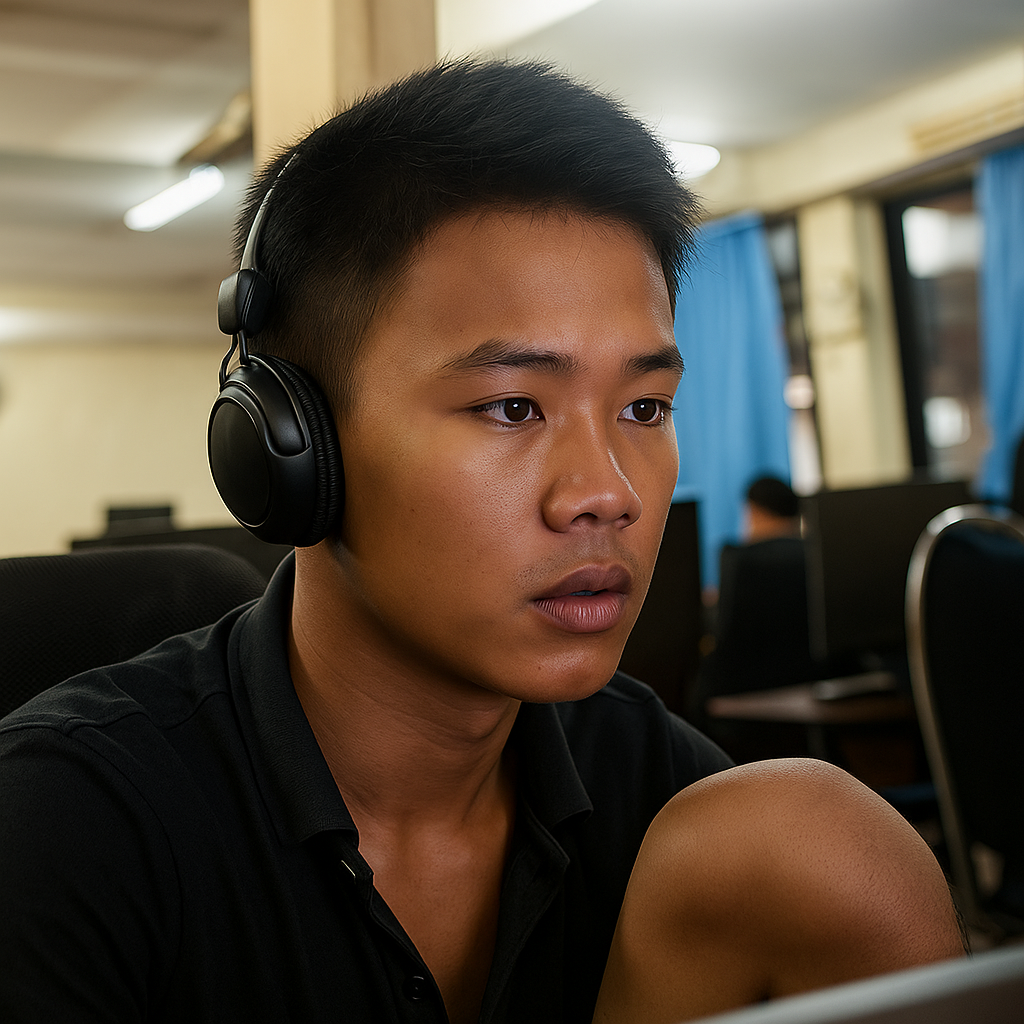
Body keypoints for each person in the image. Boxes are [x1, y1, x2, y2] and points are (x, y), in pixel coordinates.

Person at [0, 61, 962, 1024]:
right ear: (292, 448)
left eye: (644, 406)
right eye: (512, 407)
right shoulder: (63, 829)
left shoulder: (674, 797)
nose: (609, 493)